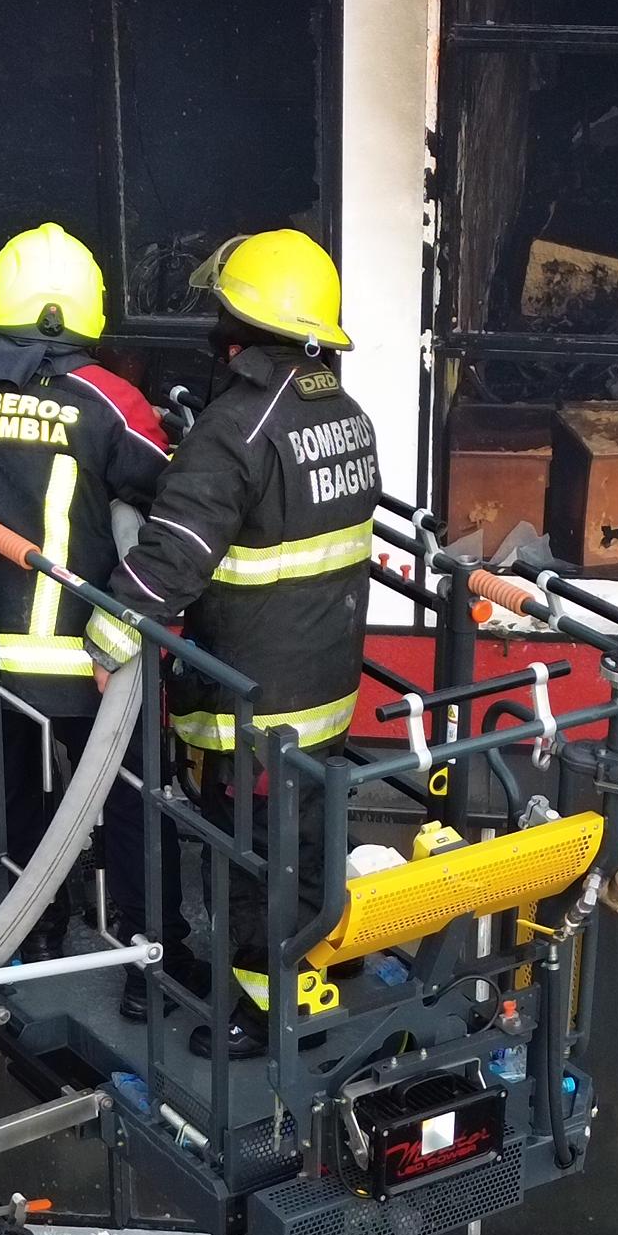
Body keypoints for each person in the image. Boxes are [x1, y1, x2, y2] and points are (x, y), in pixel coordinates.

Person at [89, 228, 377, 1011]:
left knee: (252, 851)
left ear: (241, 329)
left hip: (256, 700)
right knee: (308, 829)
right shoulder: (348, 415)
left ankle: (261, 1007)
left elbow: (174, 556)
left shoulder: (236, 428)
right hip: (326, 686)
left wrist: (109, 638)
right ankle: (323, 958)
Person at [0, 223, 164, 884]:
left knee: (18, 798)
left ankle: (31, 923)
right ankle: (150, 939)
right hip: (89, 655)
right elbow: (159, 483)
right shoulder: (110, 401)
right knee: (130, 797)